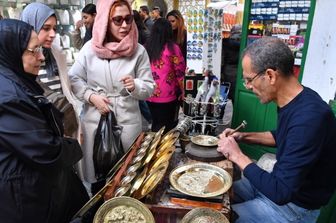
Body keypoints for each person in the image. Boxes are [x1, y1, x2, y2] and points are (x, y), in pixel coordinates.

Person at [217, 37, 336, 223]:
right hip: (276, 186)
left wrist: (237, 155)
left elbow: (281, 192)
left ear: (271, 76)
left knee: (219, 217)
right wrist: (243, 136)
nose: (247, 86)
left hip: (293, 208)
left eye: (249, 80)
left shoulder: (310, 118)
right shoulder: (295, 99)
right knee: (218, 187)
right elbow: (282, 137)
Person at [0, 19, 88, 223]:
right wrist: (71, 144)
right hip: (24, 197)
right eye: (34, 51)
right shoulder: (8, 97)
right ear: (12, 51)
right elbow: (45, 152)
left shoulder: (15, 80)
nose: (41, 57)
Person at [69, 0, 155, 194]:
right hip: (95, 119)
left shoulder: (138, 50)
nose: (125, 25)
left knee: (126, 175)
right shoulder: (90, 49)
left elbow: (149, 86)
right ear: (104, 21)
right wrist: (91, 96)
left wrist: (136, 85)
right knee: (99, 173)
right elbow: (74, 78)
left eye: (128, 19)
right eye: (117, 20)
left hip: (127, 119)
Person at [21, 2, 81, 138]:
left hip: (64, 126)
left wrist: (76, 126)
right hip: (39, 130)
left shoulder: (57, 53)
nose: (53, 34)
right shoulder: (21, 59)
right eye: (46, 28)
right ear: (31, 26)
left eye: (54, 28)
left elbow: (66, 92)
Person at [145, 18, 186, 134]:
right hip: (167, 96)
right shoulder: (173, 48)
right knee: (166, 128)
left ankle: (154, 148)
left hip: (149, 94)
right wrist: (184, 91)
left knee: (155, 125)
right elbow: (180, 72)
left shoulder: (147, 47)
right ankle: (162, 150)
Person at [221, 24, 241, 102]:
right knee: (236, 99)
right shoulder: (245, 43)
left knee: (222, 98)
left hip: (226, 73)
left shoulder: (225, 42)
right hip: (239, 74)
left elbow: (222, 59)